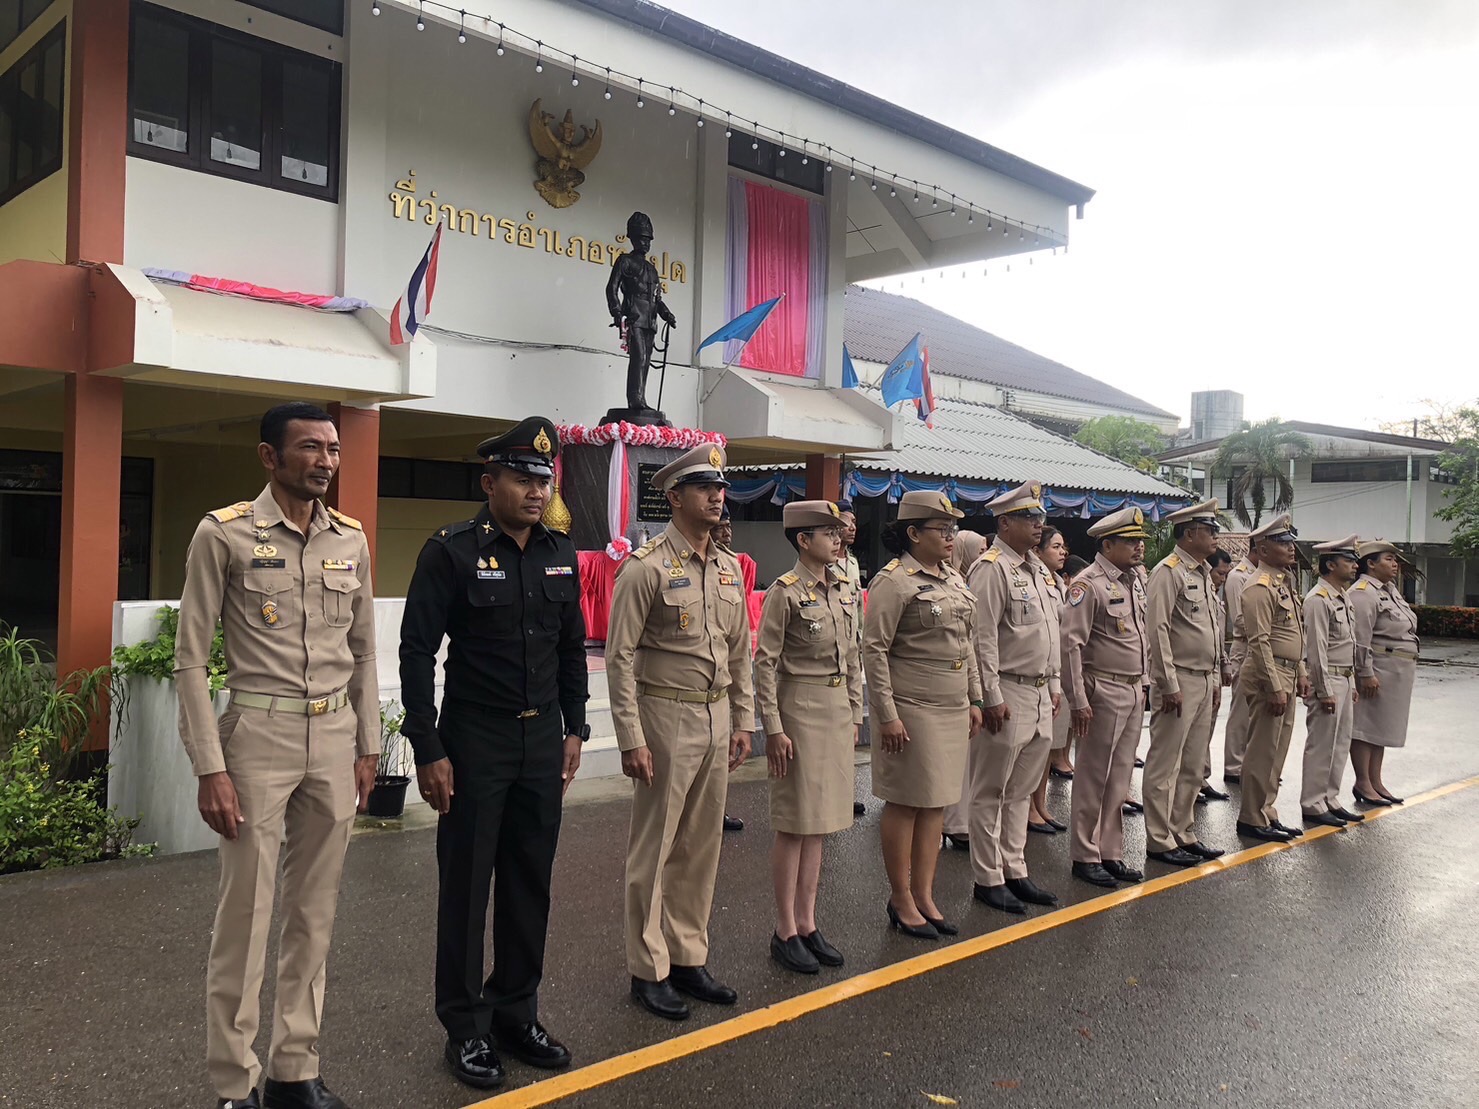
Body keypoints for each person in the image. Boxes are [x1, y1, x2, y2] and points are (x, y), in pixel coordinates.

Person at [175, 402, 379, 1109]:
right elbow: (190, 661)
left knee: (313, 913)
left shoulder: (349, 540)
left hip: (332, 737)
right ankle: (235, 1082)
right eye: (309, 448)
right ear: (270, 457)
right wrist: (210, 765)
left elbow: (362, 651)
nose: (325, 460)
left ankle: (295, 1069)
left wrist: (369, 742)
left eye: (332, 447)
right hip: (256, 737)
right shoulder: (224, 534)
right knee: (247, 915)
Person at [398, 417, 588, 1089]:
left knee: (529, 881)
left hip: (541, 742)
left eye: (544, 479)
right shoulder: (450, 551)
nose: (535, 491)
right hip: (474, 741)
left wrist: (576, 725)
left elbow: (570, 648)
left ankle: (516, 1011)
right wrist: (427, 745)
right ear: (489, 482)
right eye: (521, 477)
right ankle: (465, 1025)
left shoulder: (559, 552)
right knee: (467, 885)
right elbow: (416, 650)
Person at [607, 443, 754, 1021]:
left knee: (701, 846)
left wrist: (744, 719)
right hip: (665, 717)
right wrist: (631, 737)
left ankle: (689, 956)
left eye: (720, 488)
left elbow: (742, 648)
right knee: (656, 844)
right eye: (704, 488)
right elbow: (619, 657)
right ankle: (649, 968)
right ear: (674, 498)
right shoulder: (645, 567)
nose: (718, 497)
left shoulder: (724, 566)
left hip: (716, 715)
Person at [864, 491, 984, 939]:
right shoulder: (893, 582)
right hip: (913, 706)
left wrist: (975, 698)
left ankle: (925, 894)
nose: (951, 538)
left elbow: (966, 642)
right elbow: (874, 651)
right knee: (908, 801)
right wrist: (887, 714)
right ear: (913, 534)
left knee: (937, 803)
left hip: (952, 704)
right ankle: (900, 897)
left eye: (953, 530)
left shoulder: (953, 579)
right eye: (942, 530)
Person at [755, 500, 864, 974]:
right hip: (798, 711)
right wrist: (773, 728)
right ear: (803, 540)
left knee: (819, 824)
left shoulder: (843, 586)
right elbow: (765, 663)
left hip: (836, 710)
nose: (838, 539)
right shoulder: (785, 592)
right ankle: (784, 929)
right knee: (795, 822)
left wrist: (856, 710)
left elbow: (854, 654)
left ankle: (808, 921)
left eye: (838, 532)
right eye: (827, 532)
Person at [963, 482, 1062, 914]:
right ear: (1004, 523)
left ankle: (1014, 868)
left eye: (1040, 518)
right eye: (1029, 518)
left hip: (1040, 692)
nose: (1038, 526)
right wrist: (990, 696)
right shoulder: (991, 568)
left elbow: (1050, 633)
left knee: (1021, 791)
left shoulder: (1037, 569)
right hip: (1008, 689)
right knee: (991, 789)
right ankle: (988, 878)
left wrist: (1055, 684)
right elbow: (981, 638)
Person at [1060, 506, 1150, 889]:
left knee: (1120, 776)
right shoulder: (1087, 584)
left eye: (1140, 541)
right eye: (1130, 541)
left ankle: (1110, 851)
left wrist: (1145, 682)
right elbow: (1071, 645)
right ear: (1107, 544)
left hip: (1132, 687)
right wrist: (1078, 700)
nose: (1139, 548)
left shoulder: (1135, 580)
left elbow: (1141, 635)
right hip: (1103, 688)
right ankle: (1085, 854)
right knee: (1093, 776)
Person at [1140, 500, 1226, 868]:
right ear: (1190, 534)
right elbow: (1157, 630)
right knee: (1165, 765)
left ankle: (1183, 831)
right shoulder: (1168, 572)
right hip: (1179, 682)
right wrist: (1168, 682)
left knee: (1193, 764)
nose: (1216, 538)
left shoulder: (1204, 573)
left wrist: (1218, 676)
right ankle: (1159, 839)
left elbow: (1212, 631)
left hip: (1204, 679)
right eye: (1210, 531)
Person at [1235, 514, 1310, 842]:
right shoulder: (1258, 586)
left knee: (1277, 751)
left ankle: (1267, 811)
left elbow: (1295, 633)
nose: (1291, 548)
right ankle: (1251, 817)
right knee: (1262, 750)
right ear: (1262, 549)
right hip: (1270, 675)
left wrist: (1302, 671)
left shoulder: (1283, 581)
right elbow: (1260, 640)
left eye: (1291, 541)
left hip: (1288, 672)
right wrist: (1276, 686)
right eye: (1283, 542)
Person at [1300, 535, 1366, 828]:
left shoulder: (1343, 596)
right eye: (1348, 560)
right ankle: (1312, 802)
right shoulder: (1318, 599)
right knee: (1322, 744)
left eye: (1354, 560)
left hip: (1344, 678)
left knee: (1339, 744)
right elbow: (1316, 650)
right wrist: (1324, 689)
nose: (1354, 565)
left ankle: (1330, 798)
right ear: (1330, 564)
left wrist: (1351, 684)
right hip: (1328, 681)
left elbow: (1348, 644)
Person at [1349, 540, 1419, 806]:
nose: (1394, 564)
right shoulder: (1363, 593)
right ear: (1371, 563)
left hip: (1395, 670)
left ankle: (1376, 780)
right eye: (1389, 559)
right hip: (1378, 668)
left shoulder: (1389, 591)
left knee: (1381, 728)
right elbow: (1360, 638)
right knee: (1365, 727)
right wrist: (1365, 672)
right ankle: (1363, 782)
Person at [940, 527, 987, 850]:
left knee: (967, 757)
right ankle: (954, 823)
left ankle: (959, 820)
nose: (983, 554)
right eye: (979, 548)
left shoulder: (963, 581)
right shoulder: (951, 581)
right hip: (941, 682)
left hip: (968, 678)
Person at [606, 211, 677, 412]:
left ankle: (641, 398)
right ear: (633, 239)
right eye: (641, 239)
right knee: (638, 358)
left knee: (646, 360)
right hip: (634, 317)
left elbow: (657, 298)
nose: (645, 244)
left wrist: (666, 314)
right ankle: (634, 399)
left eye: (648, 240)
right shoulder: (625, 261)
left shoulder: (652, 269)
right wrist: (617, 312)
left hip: (650, 320)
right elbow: (611, 288)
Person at [711, 502, 754, 833]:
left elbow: (739, 647)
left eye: (729, 528)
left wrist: (745, 717)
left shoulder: (731, 568)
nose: (726, 533)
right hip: (677, 695)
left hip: (721, 687)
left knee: (721, 759)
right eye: (720, 528)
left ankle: (717, 808)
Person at [1029, 528, 1072, 832]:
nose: (1062, 551)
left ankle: (1040, 804)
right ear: (1039, 551)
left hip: (1054, 673)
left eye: (1063, 546)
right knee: (1033, 752)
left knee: (1047, 746)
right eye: (1056, 546)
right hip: (1031, 675)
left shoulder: (1056, 582)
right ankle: (1030, 809)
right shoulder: (1032, 578)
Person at [836, 497, 868, 817]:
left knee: (851, 724)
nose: (852, 527)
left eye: (855, 523)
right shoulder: (826, 562)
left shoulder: (852, 563)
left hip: (852, 654)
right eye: (847, 522)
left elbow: (858, 610)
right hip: (832, 655)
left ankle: (846, 790)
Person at [1196, 548, 1235, 803]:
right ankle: (1191, 781)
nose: (1223, 579)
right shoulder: (1197, 591)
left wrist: (1224, 665)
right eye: (1220, 573)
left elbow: (1217, 636)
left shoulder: (1213, 595)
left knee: (1206, 728)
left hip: (1212, 669)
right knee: (1191, 735)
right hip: (1192, 671)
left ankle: (1201, 777)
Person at [1221, 543, 1262, 784]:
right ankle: (1234, 764)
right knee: (1241, 709)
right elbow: (1239, 618)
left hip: (1263, 646)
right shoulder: (1239, 576)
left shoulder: (1266, 577)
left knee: (1258, 710)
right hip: (1246, 645)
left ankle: (1252, 763)